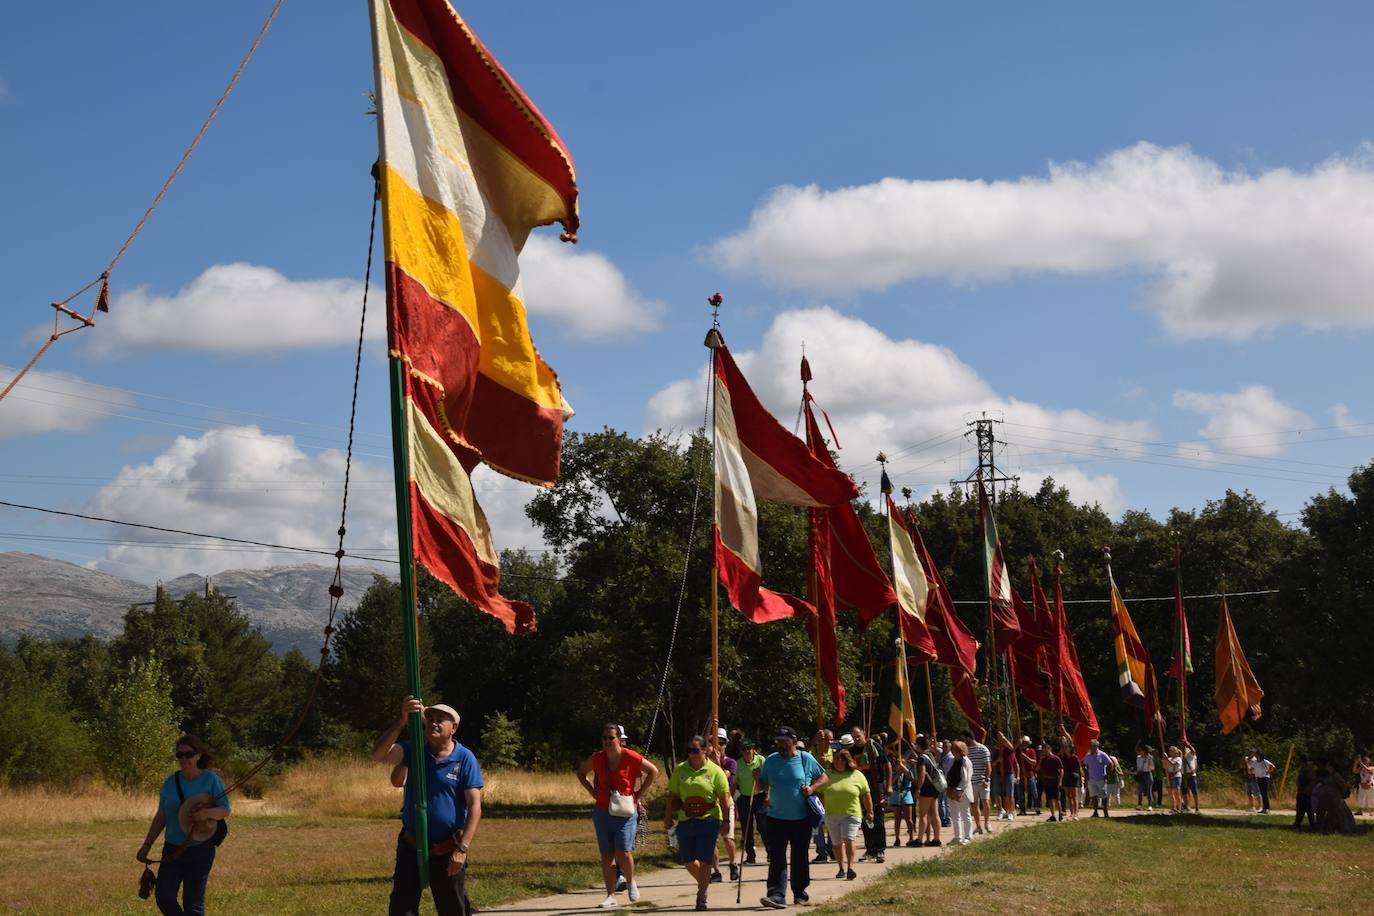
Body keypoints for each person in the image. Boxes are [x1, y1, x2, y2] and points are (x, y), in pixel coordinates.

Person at [373, 697, 482, 916]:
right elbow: (378, 755)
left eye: (441, 719)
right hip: (411, 845)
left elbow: (475, 807)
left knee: (453, 908)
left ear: (454, 728)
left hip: (447, 848)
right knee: (402, 909)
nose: (434, 722)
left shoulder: (464, 758)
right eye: (430, 718)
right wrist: (401, 722)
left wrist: (462, 850)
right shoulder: (414, 750)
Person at [136, 734, 230, 916]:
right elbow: (161, 816)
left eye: (189, 754)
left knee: (193, 905)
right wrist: (146, 845)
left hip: (200, 850)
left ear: (199, 755)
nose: (184, 759)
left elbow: (225, 810)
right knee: (164, 897)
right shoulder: (170, 783)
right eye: (180, 755)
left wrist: (206, 813)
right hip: (172, 849)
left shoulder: (211, 780)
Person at [577, 721, 659, 908]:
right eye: (604, 738)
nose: (607, 741)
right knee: (606, 855)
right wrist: (593, 792)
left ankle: (630, 882)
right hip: (602, 811)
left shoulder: (630, 756)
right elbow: (581, 773)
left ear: (619, 739)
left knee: (623, 851)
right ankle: (610, 894)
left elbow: (653, 771)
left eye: (611, 738)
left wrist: (638, 794)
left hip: (625, 811)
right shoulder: (597, 758)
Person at [758, 726, 828, 910]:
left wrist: (812, 789)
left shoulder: (805, 759)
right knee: (777, 857)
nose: (780, 744)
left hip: (801, 818)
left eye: (784, 741)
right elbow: (760, 785)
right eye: (778, 741)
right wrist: (757, 779)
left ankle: (800, 893)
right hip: (775, 817)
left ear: (794, 741)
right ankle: (776, 895)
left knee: (800, 857)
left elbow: (824, 777)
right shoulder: (770, 761)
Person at [664, 736, 732, 912]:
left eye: (695, 750)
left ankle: (701, 895)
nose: (691, 754)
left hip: (709, 820)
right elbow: (672, 796)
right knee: (687, 860)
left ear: (704, 751)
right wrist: (668, 816)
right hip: (686, 819)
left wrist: (726, 821)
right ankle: (705, 881)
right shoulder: (680, 770)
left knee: (705, 859)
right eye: (689, 751)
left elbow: (724, 799)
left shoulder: (715, 771)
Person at [820, 748, 872, 881]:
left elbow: (866, 794)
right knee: (836, 843)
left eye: (841, 758)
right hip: (832, 813)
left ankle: (850, 868)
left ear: (847, 761)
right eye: (836, 758)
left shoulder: (857, 774)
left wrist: (869, 811)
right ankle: (841, 868)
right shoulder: (827, 774)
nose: (837, 761)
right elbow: (818, 790)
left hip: (852, 813)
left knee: (849, 839)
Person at [850, 727, 889, 863]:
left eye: (858, 735)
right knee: (865, 820)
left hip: (875, 788)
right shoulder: (851, 751)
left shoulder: (873, 746)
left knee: (878, 819)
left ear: (863, 734)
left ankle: (880, 850)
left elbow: (887, 765)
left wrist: (888, 785)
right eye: (854, 736)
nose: (856, 738)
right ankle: (870, 849)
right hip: (860, 790)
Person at [707, 740, 738, 882]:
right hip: (711, 804)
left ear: (725, 744)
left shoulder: (731, 762)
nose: (717, 745)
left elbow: (723, 778)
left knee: (727, 837)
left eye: (721, 742)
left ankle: (733, 864)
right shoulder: (705, 763)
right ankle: (716, 871)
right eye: (713, 742)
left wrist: (717, 762)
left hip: (726, 802)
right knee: (711, 840)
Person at [735, 739, 768, 864]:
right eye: (744, 749)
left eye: (749, 748)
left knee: (763, 826)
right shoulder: (738, 764)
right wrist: (735, 798)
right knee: (746, 827)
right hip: (744, 797)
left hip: (759, 796)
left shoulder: (761, 761)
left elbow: (768, 780)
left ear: (753, 749)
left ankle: (770, 852)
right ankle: (750, 856)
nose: (747, 751)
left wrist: (767, 795)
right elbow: (736, 783)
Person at [809, 729, 835, 865]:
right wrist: (814, 739)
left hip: (831, 792)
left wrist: (828, 763)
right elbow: (805, 755)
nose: (829, 742)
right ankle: (821, 851)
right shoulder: (814, 751)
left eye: (831, 739)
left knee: (832, 822)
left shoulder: (835, 752)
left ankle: (833, 849)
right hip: (817, 793)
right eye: (826, 739)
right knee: (817, 823)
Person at [1312, 761, 1358, 835]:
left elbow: (1343, 787)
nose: (1327, 767)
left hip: (1335, 799)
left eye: (1329, 766)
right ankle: (1321, 829)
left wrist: (1342, 796)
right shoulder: (1327, 775)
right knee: (1321, 813)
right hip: (1326, 798)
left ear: (1332, 768)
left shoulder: (1336, 776)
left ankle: (1340, 830)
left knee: (1338, 815)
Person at [913, 735, 942, 847]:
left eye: (916, 744)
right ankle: (936, 838)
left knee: (923, 814)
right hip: (935, 787)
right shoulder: (930, 755)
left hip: (926, 788)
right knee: (934, 814)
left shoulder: (921, 757)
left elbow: (923, 773)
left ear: (919, 746)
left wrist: (918, 789)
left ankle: (919, 840)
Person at [962, 730, 992, 835]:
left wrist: (987, 779)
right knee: (974, 804)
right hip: (971, 782)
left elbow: (988, 767)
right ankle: (978, 826)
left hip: (983, 781)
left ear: (968, 738)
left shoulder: (983, 749)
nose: (963, 741)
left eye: (964, 738)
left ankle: (987, 823)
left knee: (986, 802)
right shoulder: (966, 750)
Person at [888, 741, 917, 846]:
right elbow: (890, 783)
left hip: (906, 793)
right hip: (896, 794)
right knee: (897, 818)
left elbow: (910, 777)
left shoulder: (907, 770)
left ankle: (911, 837)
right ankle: (897, 838)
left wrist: (903, 768)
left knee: (908, 818)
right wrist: (897, 773)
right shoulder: (894, 772)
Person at [946, 740, 974, 845]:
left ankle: (968, 837)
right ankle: (957, 837)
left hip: (962, 792)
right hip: (951, 790)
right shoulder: (953, 760)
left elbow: (966, 779)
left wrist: (959, 790)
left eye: (954, 749)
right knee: (954, 815)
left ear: (960, 750)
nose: (952, 751)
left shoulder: (965, 761)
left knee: (965, 814)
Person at [1082, 739, 1112, 818]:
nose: (1091, 748)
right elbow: (1083, 764)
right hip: (1091, 779)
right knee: (1094, 796)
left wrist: (1107, 774)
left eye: (1092, 747)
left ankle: (1105, 811)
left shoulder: (1102, 755)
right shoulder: (1088, 756)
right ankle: (1095, 812)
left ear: (1096, 747)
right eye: (1090, 747)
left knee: (1103, 796)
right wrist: (1086, 773)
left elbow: (1110, 764)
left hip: (1101, 778)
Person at [993, 733, 1018, 821]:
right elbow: (993, 764)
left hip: (1009, 774)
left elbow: (1011, 746)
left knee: (1009, 794)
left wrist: (1003, 737)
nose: (1001, 743)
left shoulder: (1009, 750)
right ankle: (1001, 811)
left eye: (1002, 742)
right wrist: (997, 760)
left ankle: (1010, 812)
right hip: (998, 773)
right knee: (996, 793)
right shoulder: (996, 751)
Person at [1037, 741, 1063, 822]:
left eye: (1044, 750)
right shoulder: (1044, 760)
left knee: (1056, 798)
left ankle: (1060, 813)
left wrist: (1060, 781)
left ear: (1048, 749)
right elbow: (1037, 769)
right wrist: (1040, 760)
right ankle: (1053, 815)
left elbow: (1061, 770)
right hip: (1047, 781)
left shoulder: (1055, 758)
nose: (1043, 752)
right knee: (1050, 799)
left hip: (1055, 780)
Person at [1059, 738, 1081, 820]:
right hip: (1066, 777)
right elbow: (1058, 758)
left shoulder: (1075, 757)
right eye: (1064, 748)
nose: (1065, 749)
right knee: (1068, 796)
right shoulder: (1063, 757)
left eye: (1066, 748)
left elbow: (1078, 768)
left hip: (1073, 777)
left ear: (1070, 749)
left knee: (1074, 796)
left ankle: (1076, 813)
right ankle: (1071, 813)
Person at [1016, 737, 1039, 816]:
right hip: (1020, 775)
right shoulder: (1017, 751)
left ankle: (1037, 808)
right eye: (1023, 742)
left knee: (1034, 792)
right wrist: (1017, 744)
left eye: (1026, 743)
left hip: (1030, 775)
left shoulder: (1031, 751)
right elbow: (1011, 751)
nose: (1024, 744)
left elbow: (1034, 762)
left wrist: (1025, 757)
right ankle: (1022, 810)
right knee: (1020, 794)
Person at [1249, 749, 1276, 814]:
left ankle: (1267, 808)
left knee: (1265, 793)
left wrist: (1268, 772)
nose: (1255, 755)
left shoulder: (1265, 762)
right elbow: (1252, 769)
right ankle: (1264, 808)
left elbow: (1273, 767)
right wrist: (1251, 771)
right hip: (1258, 778)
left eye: (1256, 754)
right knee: (1262, 793)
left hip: (1265, 778)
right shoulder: (1255, 762)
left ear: (1260, 755)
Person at [1294, 757, 1316, 830]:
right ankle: (1298, 823)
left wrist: (1306, 790)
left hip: (1307, 793)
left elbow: (1311, 782)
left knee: (1308, 810)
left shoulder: (1308, 770)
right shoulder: (1302, 770)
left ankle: (1312, 824)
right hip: (1301, 792)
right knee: (1300, 809)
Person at [938, 740, 954, 828]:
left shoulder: (950, 758)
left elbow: (948, 771)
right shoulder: (940, 755)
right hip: (940, 781)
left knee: (946, 802)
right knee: (940, 802)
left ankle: (948, 820)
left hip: (946, 781)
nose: (944, 748)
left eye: (946, 746)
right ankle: (942, 819)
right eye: (943, 746)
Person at [1181, 740, 1200, 813]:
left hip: (1191, 775)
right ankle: (1186, 806)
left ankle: (1197, 807)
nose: (1181, 746)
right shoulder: (1180, 754)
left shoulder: (1190, 753)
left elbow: (1193, 751)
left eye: (1183, 745)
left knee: (1194, 791)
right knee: (1184, 792)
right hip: (1183, 775)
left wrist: (1188, 744)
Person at [1135, 744, 1155, 812]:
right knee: (1140, 790)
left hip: (1147, 774)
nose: (1140, 751)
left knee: (1149, 791)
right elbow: (1138, 766)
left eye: (1142, 750)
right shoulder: (1138, 757)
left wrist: (1149, 766)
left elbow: (1152, 767)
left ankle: (1150, 805)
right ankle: (1139, 804)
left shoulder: (1149, 757)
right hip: (1141, 774)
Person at [1164, 746, 1185, 814]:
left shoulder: (1178, 759)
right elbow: (1165, 766)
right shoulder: (1169, 758)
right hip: (1170, 777)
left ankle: (1179, 807)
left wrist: (1167, 759)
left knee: (1177, 792)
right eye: (1170, 751)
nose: (1171, 752)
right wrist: (1164, 759)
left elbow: (1172, 763)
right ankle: (1173, 807)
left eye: (1172, 751)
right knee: (1170, 793)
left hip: (1176, 776)